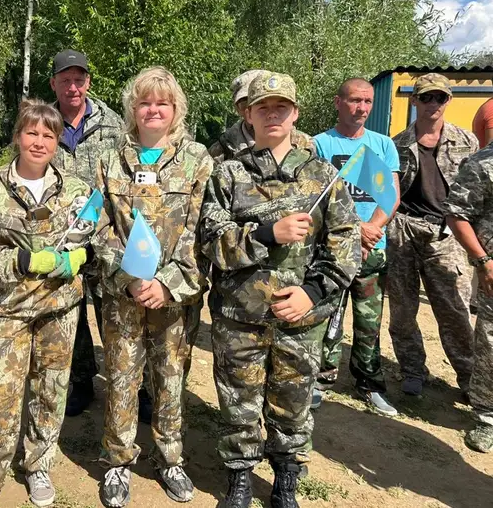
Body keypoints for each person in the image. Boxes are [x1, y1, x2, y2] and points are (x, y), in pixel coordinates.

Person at [201, 72, 360, 508]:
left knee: (293, 402)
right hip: (240, 316)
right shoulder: (228, 174)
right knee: (239, 402)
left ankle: (286, 478)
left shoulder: (322, 176)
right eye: (262, 107)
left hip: (301, 319)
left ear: (295, 114)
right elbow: (212, 244)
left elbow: (345, 248)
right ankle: (238, 478)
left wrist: (312, 292)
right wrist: (268, 233)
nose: (272, 114)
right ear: (247, 114)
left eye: (281, 107)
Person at [0, 99, 94, 508]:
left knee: (50, 393)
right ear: (18, 136)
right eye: (31, 132)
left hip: (59, 308)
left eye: (48, 135)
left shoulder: (74, 188)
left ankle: (38, 467)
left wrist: (81, 256)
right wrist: (20, 260)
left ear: (57, 143)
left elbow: (93, 232)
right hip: (7, 309)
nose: (39, 141)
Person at [94, 66, 212, 507]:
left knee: (170, 378)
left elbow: (200, 230)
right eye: (145, 102)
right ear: (133, 109)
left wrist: (167, 283)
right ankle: (118, 463)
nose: (153, 109)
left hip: (176, 296)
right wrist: (127, 279)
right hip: (123, 295)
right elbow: (99, 226)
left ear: (176, 109)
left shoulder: (198, 160)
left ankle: (170, 458)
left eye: (162, 102)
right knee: (121, 378)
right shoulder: (110, 160)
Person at [47, 49, 135, 418]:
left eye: (79, 79)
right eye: (65, 80)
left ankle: (133, 385)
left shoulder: (114, 125)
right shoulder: (44, 122)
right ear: (53, 83)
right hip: (62, 237)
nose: (73, 87)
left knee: (116, 312)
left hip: (105, 236)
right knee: (70, 313)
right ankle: (81, 380)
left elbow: (128, 177)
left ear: (88, 82)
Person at [312, 78, 400, 417]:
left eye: (367, 102)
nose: (361, 108)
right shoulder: (319, 144)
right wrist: (354, 231)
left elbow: (390, 194)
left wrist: (373, 228)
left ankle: (369, 382)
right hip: (332, 246)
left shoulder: (383, 145)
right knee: (327, 313)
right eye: (354, 101)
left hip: (373, 247)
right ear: (338, 102)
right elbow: (315, 197)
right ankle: (322, 378)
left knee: (369, 320)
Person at [388, 73, 478, 398]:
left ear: (448, 101)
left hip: (445, 233)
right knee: (402, 308)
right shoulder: (396, 143)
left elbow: (477, 193)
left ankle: (470, 380)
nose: (433, 104)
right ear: (415, 101)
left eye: (439, 98)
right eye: (426, 97)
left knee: (453, 309)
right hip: (403, 230)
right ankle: (412, 370)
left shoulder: (468, 142)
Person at [445, 148, 493, 453]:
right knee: (491, 344)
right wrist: (484, 261)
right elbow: (457, 212)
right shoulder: (483, 163)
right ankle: (488, 418)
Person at [209, 69, 313, 164]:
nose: (271, 113)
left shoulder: (303, 142)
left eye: (280, 106)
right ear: (237, 108)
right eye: (244, 103)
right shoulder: (223, 148)